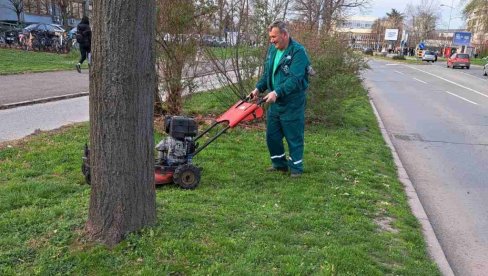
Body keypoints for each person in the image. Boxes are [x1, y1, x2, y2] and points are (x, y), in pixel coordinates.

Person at [249, 20, 310, 178]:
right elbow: (267, 74)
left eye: (274, 36)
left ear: (284, 34)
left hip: (292, 103)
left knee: (293, 136)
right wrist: (258, 89)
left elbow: (295, 79)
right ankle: (279, 165)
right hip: (275, 102)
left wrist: (277, 92)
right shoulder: (272, 50)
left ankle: (296, 168)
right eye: (270, 37)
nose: (272, 40)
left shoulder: (298, 52)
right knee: (272, 136)